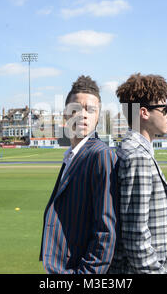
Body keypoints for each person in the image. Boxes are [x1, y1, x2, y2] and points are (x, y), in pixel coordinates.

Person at [39, 75, 119, 274]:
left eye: (91, 110)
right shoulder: (72, 155)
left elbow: (106, 231)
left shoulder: (102, 155)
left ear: (98, 117)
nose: (83, 114)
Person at [108, 73, 167, 274]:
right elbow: (135, 237)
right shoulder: (137, 157)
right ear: (144, 113)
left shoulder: (134, 151)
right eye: (164, 108)